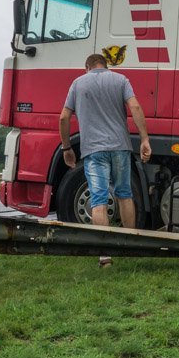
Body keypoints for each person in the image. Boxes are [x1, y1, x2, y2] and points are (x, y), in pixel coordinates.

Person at [59, 53, 151, 228]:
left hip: (94, 151)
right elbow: (135, 107)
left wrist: (66, 148)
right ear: (105, 65)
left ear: (87, 68)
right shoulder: (121, 80)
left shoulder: (78, 83)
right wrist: (144, 139)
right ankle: (128, 244)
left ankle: (104, 255)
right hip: (120, 148)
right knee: (124, 194)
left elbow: (64, 118)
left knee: (98, 200)